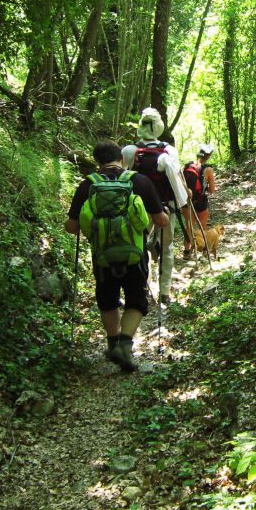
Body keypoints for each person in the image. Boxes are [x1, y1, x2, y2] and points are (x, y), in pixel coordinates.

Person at [65, 140, 168, 372]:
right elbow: (161, 221)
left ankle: (112, 342)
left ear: (98, 162)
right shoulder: (139, 181)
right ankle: (124, 344)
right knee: (136, 300)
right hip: (135, 255)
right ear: (121, 158)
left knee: (107, 298)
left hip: (102, 256)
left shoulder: (88, 185)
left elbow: (71, 227)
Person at [121, 107, 188, 305]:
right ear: (159, 127)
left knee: (139, 246)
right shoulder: (169, 151)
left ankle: (143, 285)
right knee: (167, 247)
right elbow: (176, 178)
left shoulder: (129, 151)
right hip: (165, 207)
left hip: (136, 209)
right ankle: (165, 291)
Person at [182, 143, 217, 255]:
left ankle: (187, 251)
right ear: (208, 156)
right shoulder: (208, 169)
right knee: (202, 226)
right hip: (200, 200)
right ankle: (203, 250)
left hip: (187, 199)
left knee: (188, 227)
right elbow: (212, 190)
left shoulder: (187, 166)